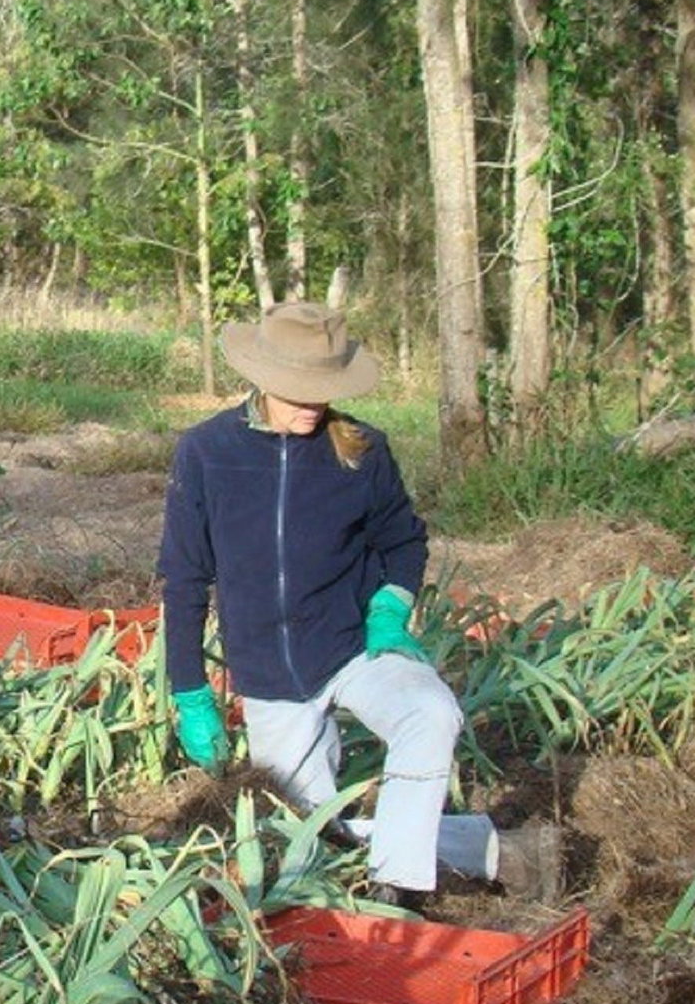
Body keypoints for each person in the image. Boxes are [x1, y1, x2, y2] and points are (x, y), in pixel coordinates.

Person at [157, 302, 559, 906]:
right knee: (304, 847)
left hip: (356, 647)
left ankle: (395, 890)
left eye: (323, 392)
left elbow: (403, 541)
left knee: (430, 712)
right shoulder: (208, 453)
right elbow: (184, 579)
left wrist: (391, 608)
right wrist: (189, 691)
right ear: (263, 380)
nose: (311, 406)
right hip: (269, 674)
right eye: (298, 392)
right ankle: (495, 851)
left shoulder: (362, 451)